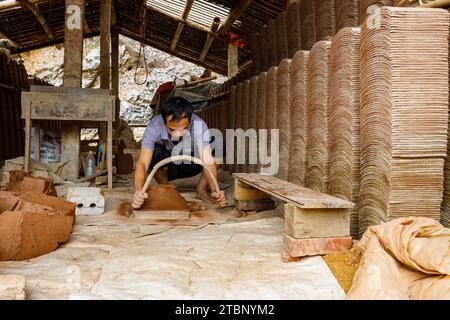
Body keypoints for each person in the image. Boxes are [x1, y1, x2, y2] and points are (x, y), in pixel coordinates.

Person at [132, 97, 227, 209]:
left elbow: (208, 161)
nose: (178, 134)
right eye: (172, 129)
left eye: (183, 128)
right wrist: (138, 191)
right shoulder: (154, 126)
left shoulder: (199, 125)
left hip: (190, 164)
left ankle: (201, 190)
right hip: (168, 166)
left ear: (190, 120)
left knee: (219, 144)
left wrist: (216, 191)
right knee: (155, 152)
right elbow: (142, 163)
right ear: (163, 121)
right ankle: (167, 189)